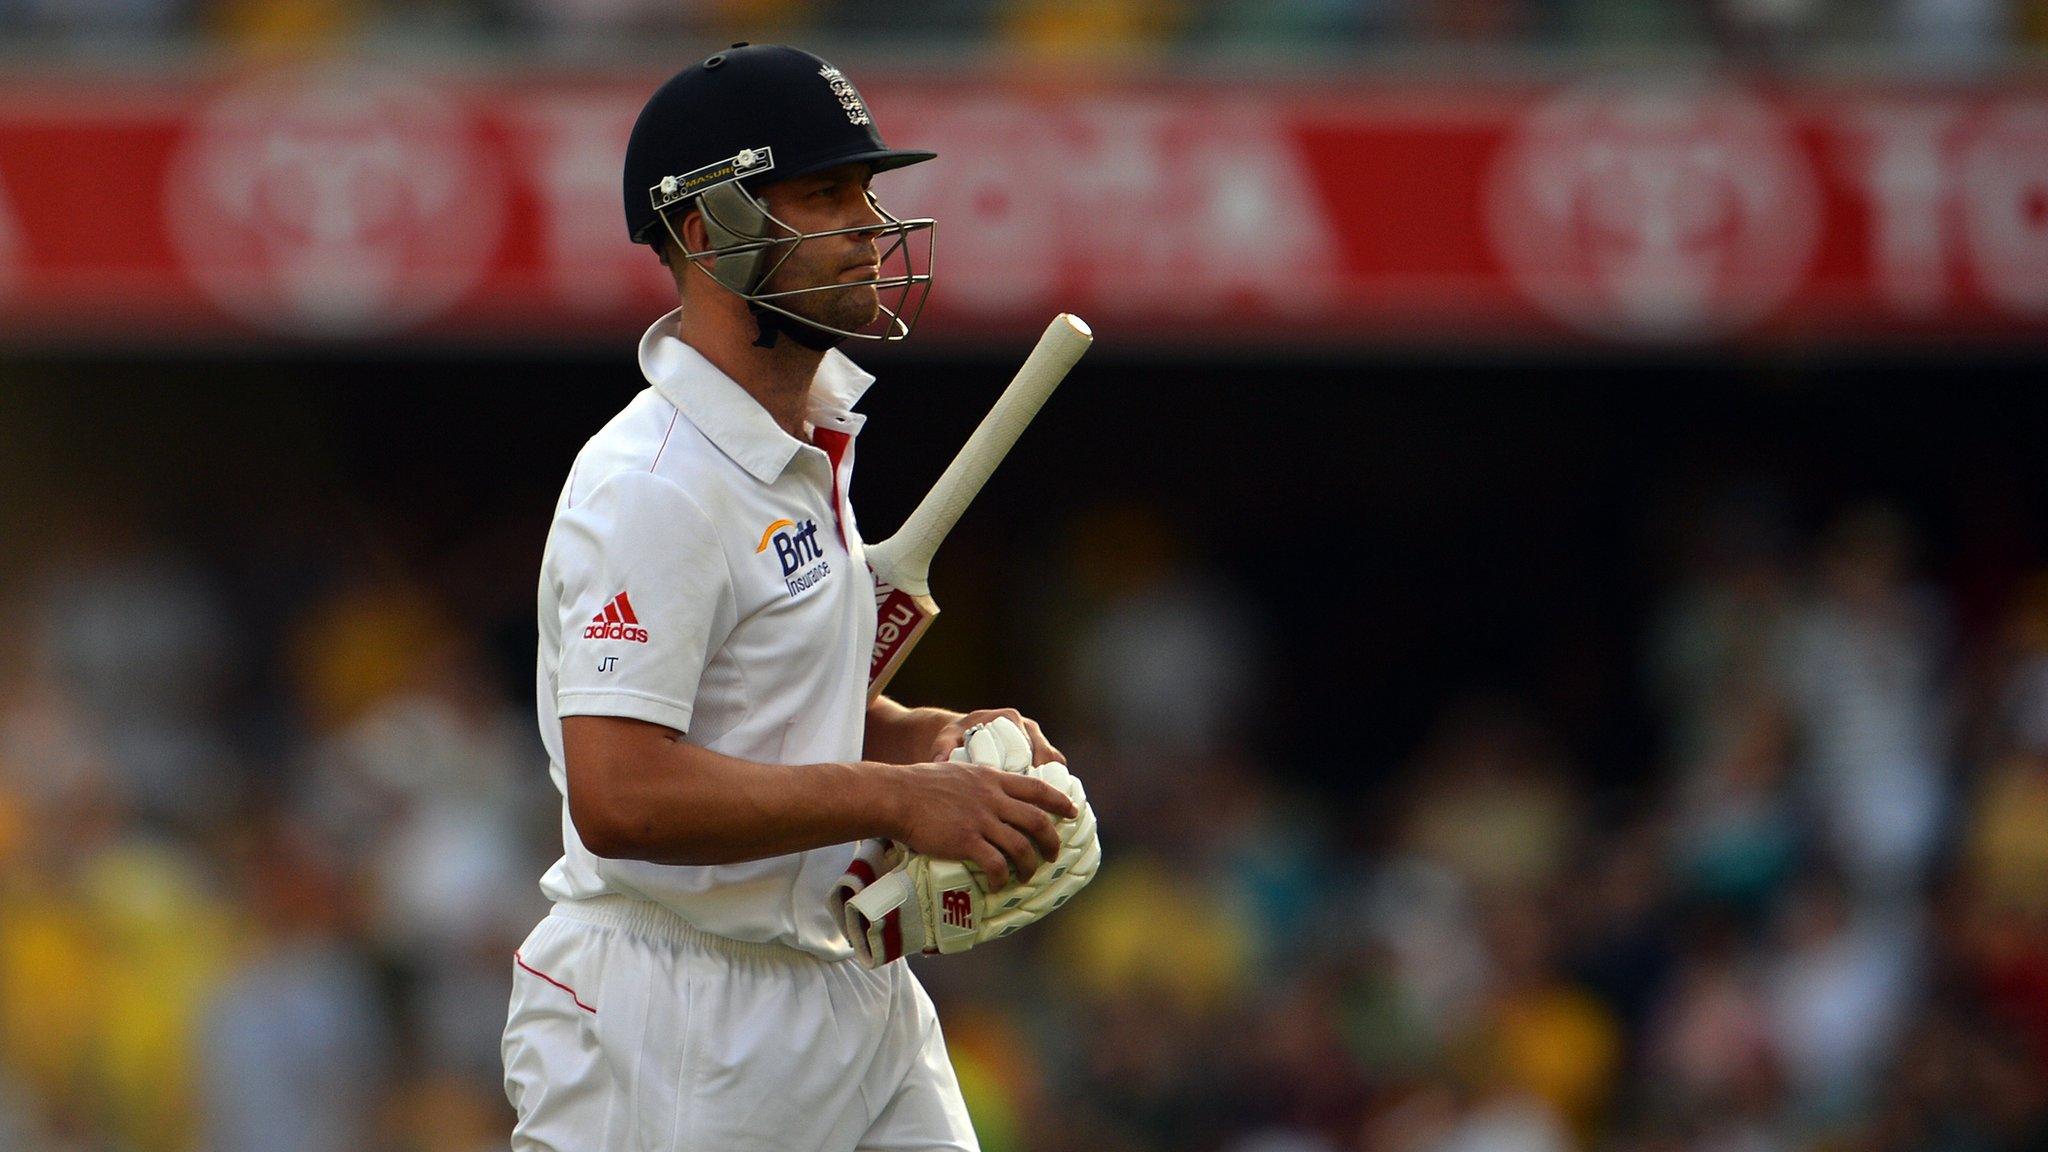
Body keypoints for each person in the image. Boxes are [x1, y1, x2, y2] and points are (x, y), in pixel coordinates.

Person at [500, 44, 1081, 1152]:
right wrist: (895, 803)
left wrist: (934, 746)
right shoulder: (654, 486)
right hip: (674, 1016)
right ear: (707, 232)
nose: (869, 223)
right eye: (824, 195)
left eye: (867, 191)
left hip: (843, 985)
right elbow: (619, 793)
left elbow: (768, 710)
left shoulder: (802, 438)